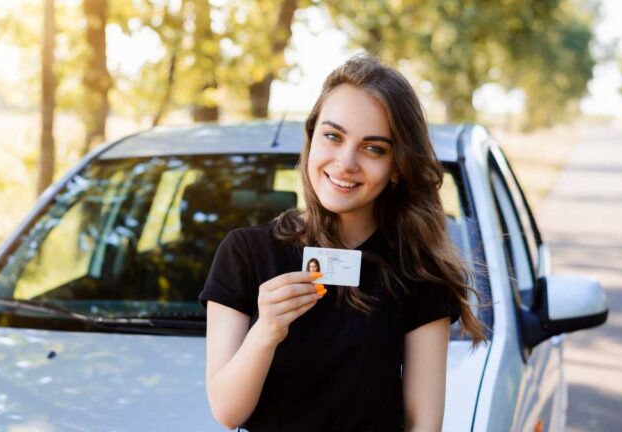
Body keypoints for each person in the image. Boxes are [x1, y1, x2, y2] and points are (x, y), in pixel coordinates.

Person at [199, 55, 487, 432]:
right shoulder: (245, 253)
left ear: (397, 167)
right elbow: (227, 411)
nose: (346, 162)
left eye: (374, 148)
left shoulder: (418, 271)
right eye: (333, 136)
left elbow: (424, 424)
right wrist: (266, 330)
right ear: (311, 138)